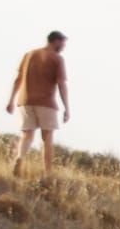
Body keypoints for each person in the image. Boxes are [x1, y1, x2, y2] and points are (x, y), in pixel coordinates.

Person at [5, 30, 71, 176]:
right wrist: (66, 107)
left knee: (27, 135)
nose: (64, 46)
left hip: (25, 101)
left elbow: (18, 78)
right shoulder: (57, 59)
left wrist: (11, 100)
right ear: (55, 41)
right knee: (47, 138)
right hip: (46, 102)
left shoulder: (29, 55)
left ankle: (19, 158)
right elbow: (61, 84)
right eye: (62, 43)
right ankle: (48, 173)